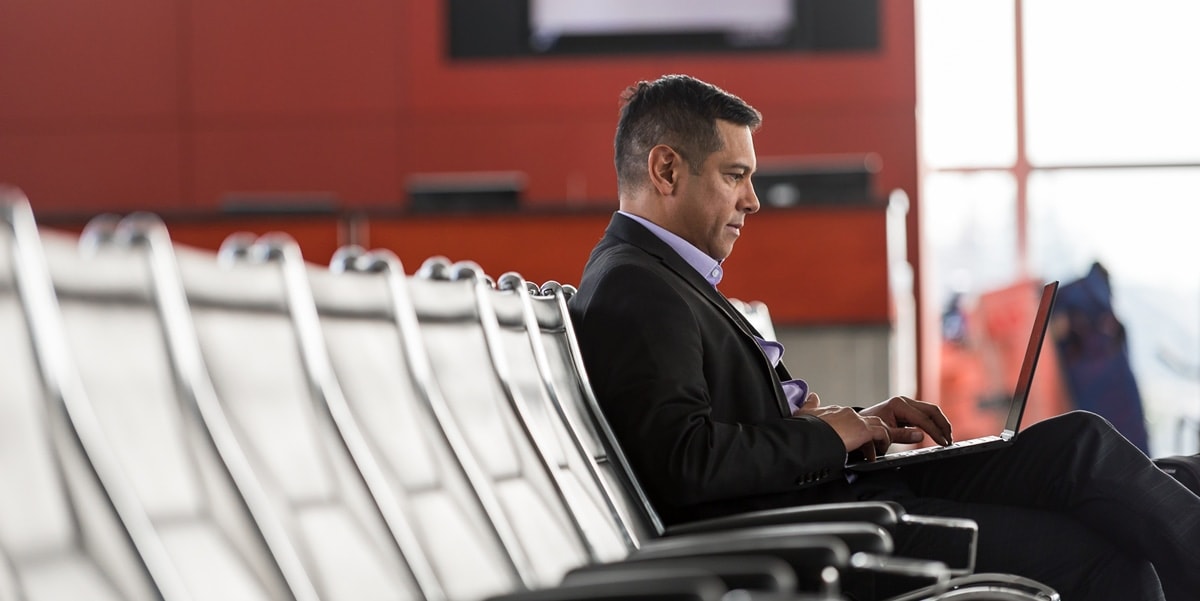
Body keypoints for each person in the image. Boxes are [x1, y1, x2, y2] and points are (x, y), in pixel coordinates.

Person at [567, 74, 1200, 600]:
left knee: (1090, 450)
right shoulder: (636, 287)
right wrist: (828, 434)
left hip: (841, 494)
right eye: (736, 175)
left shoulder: (660, 276)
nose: (752, 200)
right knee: (1108, 544)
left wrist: (857, 424)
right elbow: (685, 463)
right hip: (828, 526)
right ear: (667, 169)